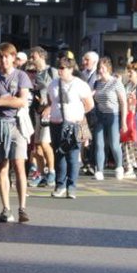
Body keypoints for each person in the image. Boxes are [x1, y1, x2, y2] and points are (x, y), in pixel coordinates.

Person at [0, 43, 32, 223]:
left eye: (7, 56)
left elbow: (22, 101)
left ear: (13, 57)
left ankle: (22, 208)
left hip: (16, 125)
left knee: (19, 165)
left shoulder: (21, 76)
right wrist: (6, 100)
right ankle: (6, 208)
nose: (4, 60)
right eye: (1, 57)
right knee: (2, 167)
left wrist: (2, 101)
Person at [47, 56, 94, 199]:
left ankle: (71, 187)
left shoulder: (80, 85)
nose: (59, 71)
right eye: (58, 68)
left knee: (73, 156)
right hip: (56, 123)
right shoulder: (53, 84)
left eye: (63, 68)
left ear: (71, 69)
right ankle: (59, 185)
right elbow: (51, 101)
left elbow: (89, 104)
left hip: (74, 123)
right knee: (59, 154)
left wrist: (78, 115)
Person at [90, 55, 128, 181]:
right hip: (100, 115)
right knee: (99, 144)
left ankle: (119, 167)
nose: (101, 70)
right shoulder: (97, 83)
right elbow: (91, 99)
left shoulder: (116, 83)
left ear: (108, 68)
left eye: (103, 68)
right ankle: (99, 170)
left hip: (113, 115)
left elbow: (123, 102)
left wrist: (123, 121)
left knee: (114, 144)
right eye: (99, 68)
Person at [26, 47, 57, 189]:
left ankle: (51, 172)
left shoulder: (52, 72)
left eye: (34, 57)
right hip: (38, 111)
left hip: (49, 112)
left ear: (42, 57)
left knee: (45, 143)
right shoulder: (35, 74)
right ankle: (41, 173)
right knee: (37, 146)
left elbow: (58, 93)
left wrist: (50, 107)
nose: (31, 59)